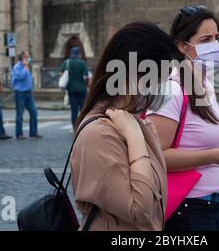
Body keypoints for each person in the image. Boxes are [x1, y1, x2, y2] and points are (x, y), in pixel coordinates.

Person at [146, 6, 219, 231]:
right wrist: (216, 156)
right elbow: (155, 156)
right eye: (206, 39)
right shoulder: (170, 89)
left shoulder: (205, 86)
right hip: (185, 211)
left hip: (209, 209)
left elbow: (204, 143)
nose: (215, 46)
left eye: (217, 38)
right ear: (182, 46)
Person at [70, 22, 177, 230]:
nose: (165, 87)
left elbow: (158, 197)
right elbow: (141, 208)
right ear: (130, 74)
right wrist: (136, 138)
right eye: (160, 77)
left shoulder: (133, 122)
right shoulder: (99, 134)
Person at [11, 51, 42, 140]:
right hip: (20, 93)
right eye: (27, 57)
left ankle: (33, 132)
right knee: (20, 114)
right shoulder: (17, 67)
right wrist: (25, 67)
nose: (28, 58)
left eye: (29, 56)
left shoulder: (27, 67)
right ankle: (19, 134)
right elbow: (20, 77)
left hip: (28, 92)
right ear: (22, 58)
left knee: (34, 112)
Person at [60, 46, 90, 128]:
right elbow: (86, 76)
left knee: (74, 110)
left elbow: (61, 74)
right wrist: (87, 84)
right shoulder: (82, 63)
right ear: (78, 54)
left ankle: (74, 127)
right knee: (82, 109)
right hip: (82, 89)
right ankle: (83, 126)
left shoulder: (66, 62)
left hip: (71, 89)